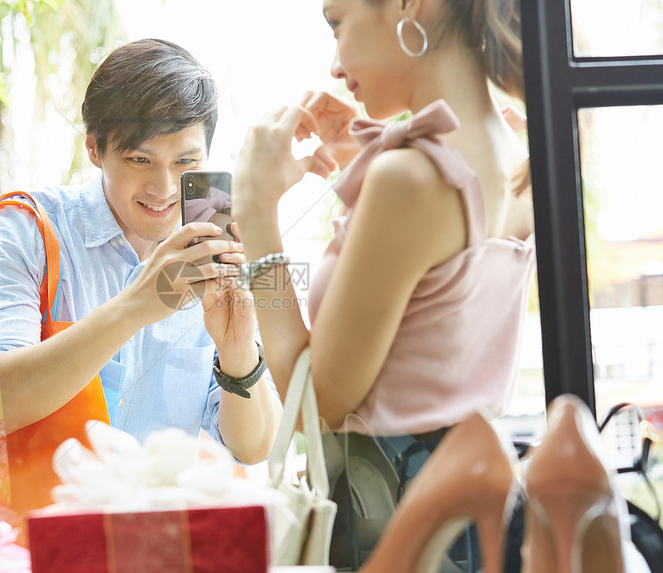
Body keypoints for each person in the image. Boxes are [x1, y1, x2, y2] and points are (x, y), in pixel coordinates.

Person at [231, 0, 533, 569]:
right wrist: (362, 158)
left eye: (336, 24)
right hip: (464, 525)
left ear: (409, 6)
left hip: (389, 527)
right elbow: (436, 326)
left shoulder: (409, 180)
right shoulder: (512, 152)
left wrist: (256, 217)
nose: (334, 66)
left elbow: (313, 404)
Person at [0, 38, 282, 518]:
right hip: (32, 547)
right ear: (95, 148)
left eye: (186, 163)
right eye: (140, 160)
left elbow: (255, 448)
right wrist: (134, 308)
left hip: (157, 546)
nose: (164, 188)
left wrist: (238, 352)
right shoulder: (23, 227)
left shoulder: (217, 245)